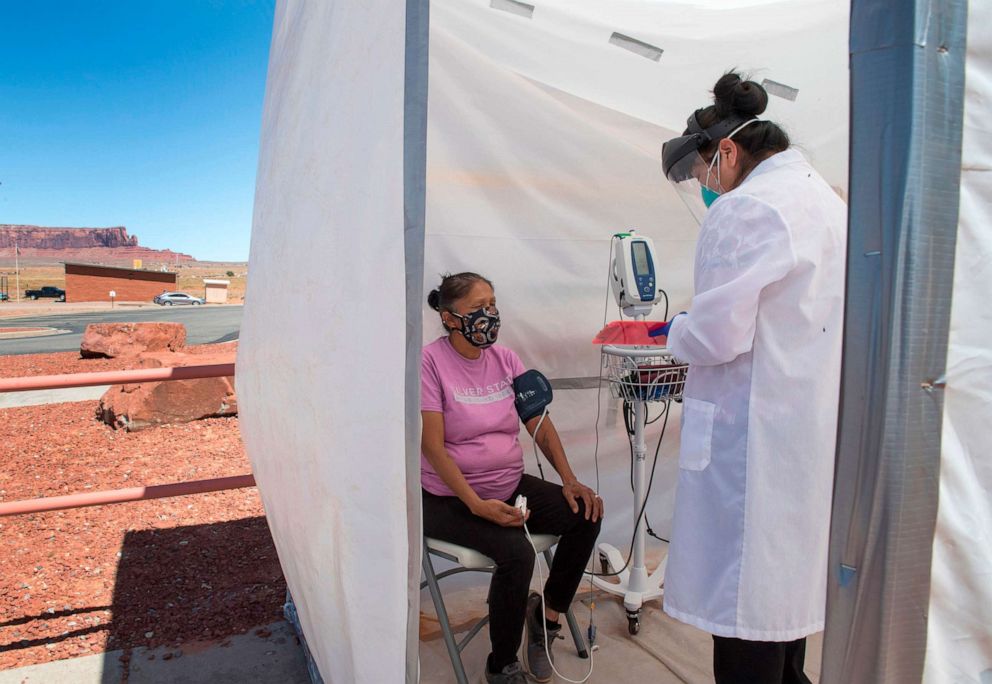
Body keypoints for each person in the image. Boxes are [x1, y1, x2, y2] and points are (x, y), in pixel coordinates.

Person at [655, 72, 846, 683]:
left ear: (728, 152)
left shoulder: (745, 209)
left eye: (705, 171)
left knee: (743, 621)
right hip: (804, 437)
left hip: (751, 450)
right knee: (781, 618)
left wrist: (674, 328)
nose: (706, 188)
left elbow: (715, 337)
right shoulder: (825, 199)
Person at [420, 272, 603, 684]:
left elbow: (538, 422)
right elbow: (431, 445)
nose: (489, 315)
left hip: (508, 484)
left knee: (586, 512)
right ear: (449, 318)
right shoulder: (429, 362)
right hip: (448, 498)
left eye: (493, 304)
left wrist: (570, 479)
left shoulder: (506, 360)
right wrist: (475, 503)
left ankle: (546, 620)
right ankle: (501, 664)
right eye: (477, 309)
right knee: (517, 553)